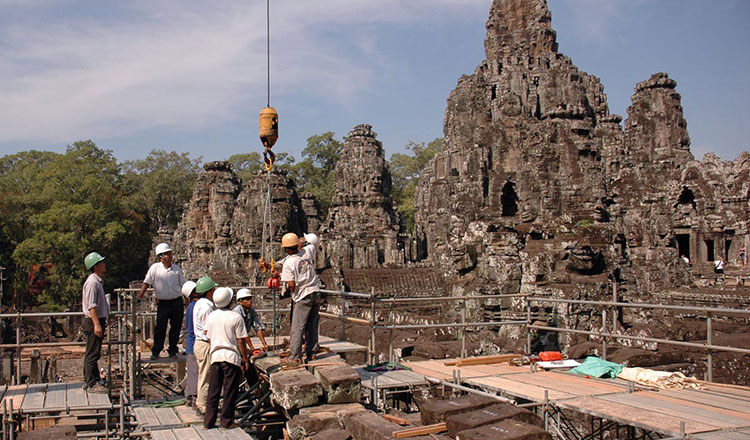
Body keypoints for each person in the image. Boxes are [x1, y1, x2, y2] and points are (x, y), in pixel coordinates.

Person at [204, 287, 250, 430]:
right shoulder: (235, 317)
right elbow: (241, 341)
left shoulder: (211, 316)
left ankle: (208, 422)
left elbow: (209, 336)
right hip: (230, 357)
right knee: (230, 391)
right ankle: (226, 421)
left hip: (216, 356)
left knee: (213, 391)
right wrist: (245, 359)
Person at [138, 243, 187, 360]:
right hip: (163, 303)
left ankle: (172, 350)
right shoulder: (155, 268)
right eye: (168, 254)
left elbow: (184, 285)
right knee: (161, 327)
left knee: (176, 327)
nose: (170, 257)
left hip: (176, 302)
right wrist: (140, 295)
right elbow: (147, 282)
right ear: (161, 257)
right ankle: (156, 351)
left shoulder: (176, 269)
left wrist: (187, 300)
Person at [280, 232, 321, 365]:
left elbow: (291, 284)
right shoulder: (307, 251)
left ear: (286, 248)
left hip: (303, 295)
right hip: (315, 291)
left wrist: (292, 291)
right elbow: (313, 243)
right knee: (312, 324)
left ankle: (295, 356)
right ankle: (312, 352)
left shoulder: (289, 263)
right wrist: (303, 242)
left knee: (298, 327)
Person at [81, 252, 110, 393]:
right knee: (92, 353)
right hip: (93, 321)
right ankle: (91, 383)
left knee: (93, 351)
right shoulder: (92, 282)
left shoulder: (97, 281)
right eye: (102, 263)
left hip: (96, 320)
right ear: (96, 266)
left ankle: (92, 379)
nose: (105, 265)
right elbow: (92, 306)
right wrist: (97, 324)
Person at [193, 275, 218, 414]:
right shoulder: (206, 307)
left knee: (205, 375)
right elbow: (207, 329)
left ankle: (204, 403)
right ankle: (202, 405)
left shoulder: (200, 304)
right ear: (209, 291)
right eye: (213, 290)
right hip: (204, 343)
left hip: (201, 343)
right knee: (205, 377)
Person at [233, 289, 266, 389]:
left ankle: (254, 389)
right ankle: (251, 389)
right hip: (235, 342)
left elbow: (257, 327)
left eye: (250, 299)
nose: (249, 301)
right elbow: (243, 335)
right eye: (246, 299)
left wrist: (264, 343)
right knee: (245, 365)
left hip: (241, 342)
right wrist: (251, 348)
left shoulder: (251, 311)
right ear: (240, 301)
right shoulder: (236, 313)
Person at [182, 280, 198, 408]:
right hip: (194, 343)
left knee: (192, 371)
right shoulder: (194, 307)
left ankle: (189, 396)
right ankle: (194, 397)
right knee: (195, 372)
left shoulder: (191, 307)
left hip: (191, 343)